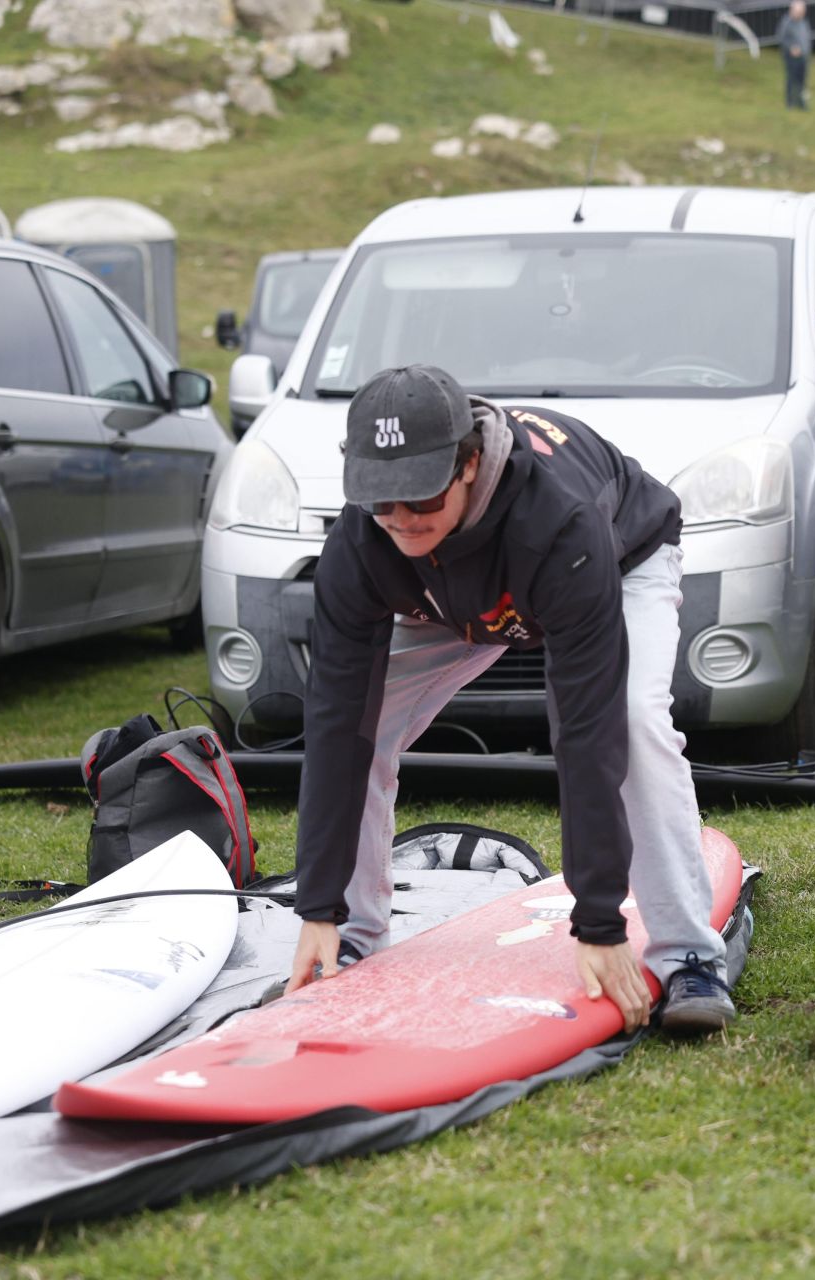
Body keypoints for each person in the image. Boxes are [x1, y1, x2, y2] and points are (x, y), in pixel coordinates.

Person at [284, 364, 736, 1036]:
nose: (402, 520)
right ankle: (351, 935)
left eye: (421, 498)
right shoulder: (360, 542)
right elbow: (335, 722)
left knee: (634, 722)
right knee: (365, 723)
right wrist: (316, 907)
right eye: (383, 501)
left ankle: (689, 955)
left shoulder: (558, 521)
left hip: (615, 566)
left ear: (468, 465)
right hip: (458, 599)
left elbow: (588, 733)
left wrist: (599, 922)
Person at [776, 1, 810, 111]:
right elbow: (781, 38)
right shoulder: (787, 22)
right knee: (791, 79)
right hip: (791, 57)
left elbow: (806, 37)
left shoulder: (803, 22)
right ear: (793, 11)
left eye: (802, 12)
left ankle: (801, 101)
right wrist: (791, 47)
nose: (801, 14)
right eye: (799, 12)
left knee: (802, 79)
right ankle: (790, 102)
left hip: (804, 56)